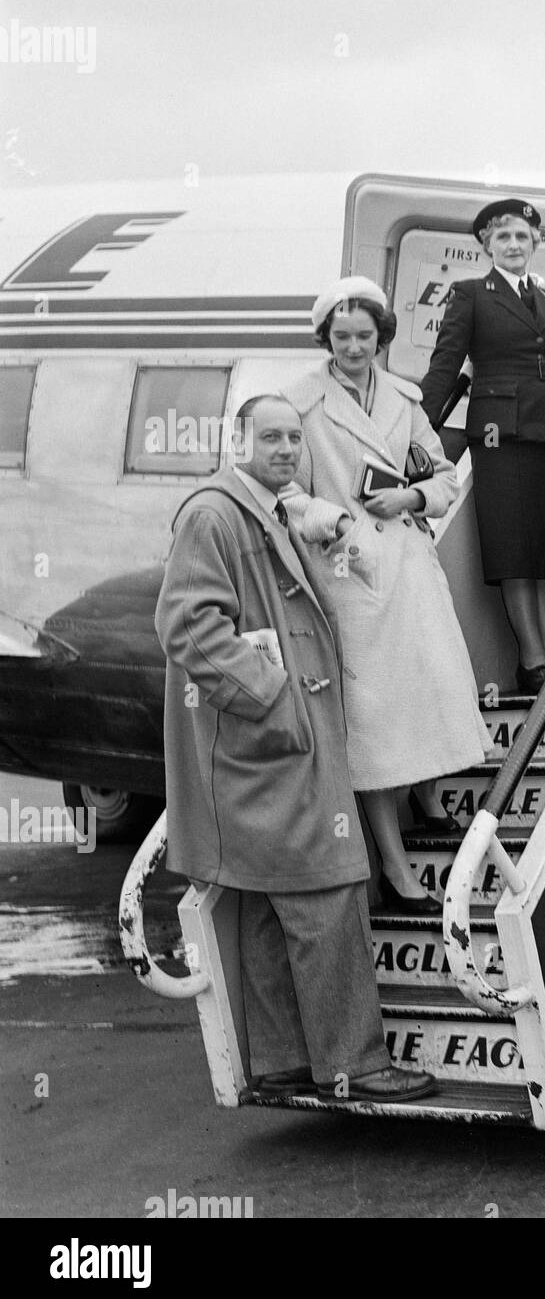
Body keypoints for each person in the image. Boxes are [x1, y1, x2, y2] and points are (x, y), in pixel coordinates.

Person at [154, 393, 437, 1103]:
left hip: (264, 752)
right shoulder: (215, 514)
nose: (284, 448)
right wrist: (277, 705)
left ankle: (284, 1061)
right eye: (270, 437)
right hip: (270, 743)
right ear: (236, 439)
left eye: (292, 438)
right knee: (329, 892)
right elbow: (189, 628)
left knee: (266, 904)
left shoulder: (265, 507)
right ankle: (357, 1067)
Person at [279, 277, 491, 915]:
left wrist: (412, 498)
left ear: (381, 337)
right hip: (348, 574)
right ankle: (398, 873)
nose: (352, 347)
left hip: (408, 562)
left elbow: (445, 474)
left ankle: (428, 800)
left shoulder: (403, 398)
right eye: (340, 337)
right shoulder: (300, 405)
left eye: (364, 336)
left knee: (430, 687)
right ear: (325, 339)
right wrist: (334, 521)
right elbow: (284, 495)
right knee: (373, 722)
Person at [420, 199, 545, 694]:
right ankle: (532, 659)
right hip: (501, 433)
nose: (514, 245)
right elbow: (445, 363)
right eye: (504, 238)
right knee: (514, 545)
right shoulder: (471, 294)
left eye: (522, 237)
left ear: (536, 243)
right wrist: (419, 427)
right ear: (486, 246)